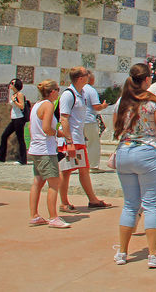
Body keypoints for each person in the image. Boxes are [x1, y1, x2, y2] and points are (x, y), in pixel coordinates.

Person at [113, 63, 156, 268]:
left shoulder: (122, 101)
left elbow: (116, 126)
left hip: (124, 151)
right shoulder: (151, 103)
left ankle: (122, 252)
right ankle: (154, 254)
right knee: (150, 205)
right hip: (147, 153)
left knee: (130, 204)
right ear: (147, 79)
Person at [58, 67, 110, 212]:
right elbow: (64, 118)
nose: (89, 76)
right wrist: (69, 142)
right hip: (71, 140)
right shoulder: (68, 95)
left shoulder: (82, 93)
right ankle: (64, 202)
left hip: (79, 138)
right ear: (80, 78)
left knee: (84, 169)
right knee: (66, 171)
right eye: (86, 74)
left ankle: (93, 199)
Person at [27, 80, 69, 228]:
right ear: (52, 92)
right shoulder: (48, 105)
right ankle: (53, 217)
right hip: (46, 149)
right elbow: (46, 128)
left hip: (36, 148)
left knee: (38, 181)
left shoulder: (36, 105)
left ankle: (34, 215)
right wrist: (58, 133)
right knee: (54, 183)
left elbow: (33, 127)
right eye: (57, 89)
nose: (58, 92)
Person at [0, 78, 27, 165]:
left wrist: (14, 101)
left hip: (19, 119)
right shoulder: (14, 94)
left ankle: (23, 159)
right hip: (14, 119)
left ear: (16, 85)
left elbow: (22, 106)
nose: (10, 84)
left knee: (20, 139)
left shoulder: (19, 94)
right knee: (4, 135)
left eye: (12, 83)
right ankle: (1, 157)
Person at [82, 71, 108, 171]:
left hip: (78, 120)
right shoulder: (91, 90)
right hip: (89, 120)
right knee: (93, 143)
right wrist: (104, 106)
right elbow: (96, 106)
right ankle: (93, 166)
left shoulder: (77, 89)